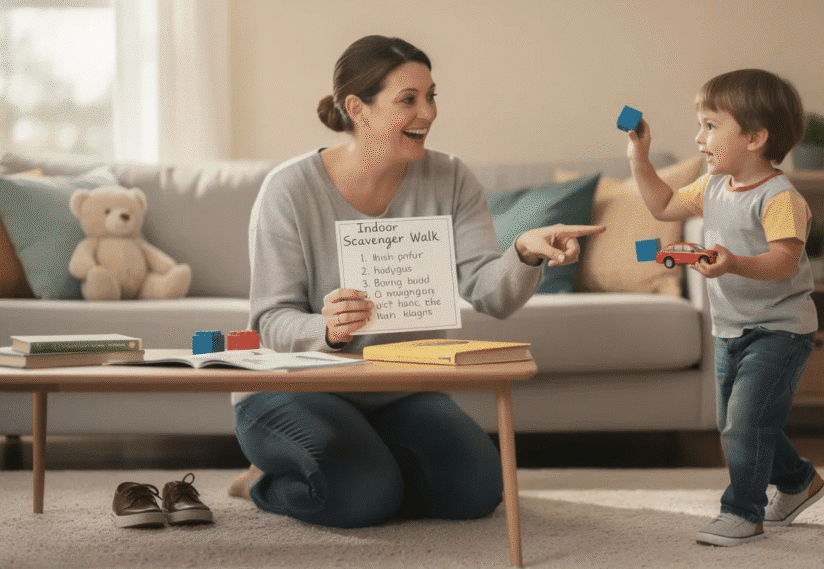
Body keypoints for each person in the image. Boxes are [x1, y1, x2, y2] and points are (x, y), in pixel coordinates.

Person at [227, 35, 604, 529]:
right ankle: (260, 481)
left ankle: (377, 469)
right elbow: (270, 320)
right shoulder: (289, 188)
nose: (428, 113)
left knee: (475, 492)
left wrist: (524, 252)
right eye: (408, 99)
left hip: (399, 389)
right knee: (362, 498)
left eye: (431, 96)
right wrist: (326, 328)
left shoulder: (451, 178)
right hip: (298, 388)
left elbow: (489, 293)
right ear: (357, 109)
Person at [626, 69, 824, 546]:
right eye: (701, 125)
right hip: (731, 329)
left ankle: (742, 512)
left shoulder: (780, 198)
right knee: (740, 423)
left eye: (711, 126)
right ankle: (799, 481)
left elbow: (783, 261)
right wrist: (639, 157)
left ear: (755, 138)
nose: (700, 138)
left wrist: (734, 262)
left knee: (745, 423)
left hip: (780, 331)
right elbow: (663, 206)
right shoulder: (713, 185)